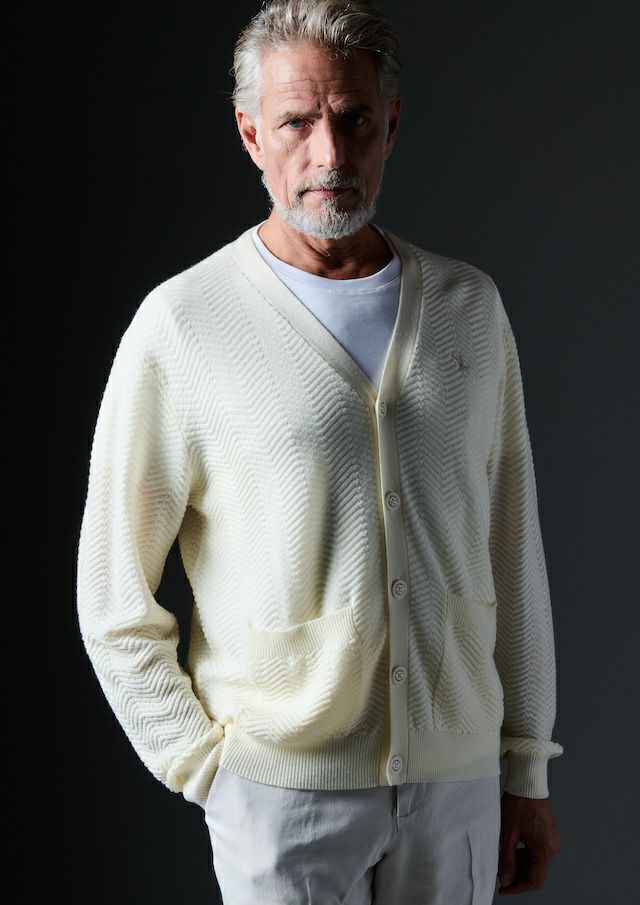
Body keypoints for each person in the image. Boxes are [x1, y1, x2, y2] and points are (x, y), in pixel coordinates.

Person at [75, 1, 564, 902]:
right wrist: (205, 767)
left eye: (354, 119)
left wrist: (525, 767)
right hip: (282, 798)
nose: (329, 154)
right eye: (298, 122)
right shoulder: (184, 324)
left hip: (456, 787)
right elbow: (111, 597)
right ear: (250, 133)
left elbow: (513, 548)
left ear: (393, 124)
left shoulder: (469, 308)